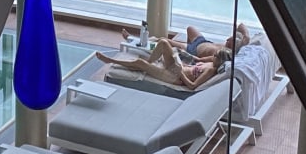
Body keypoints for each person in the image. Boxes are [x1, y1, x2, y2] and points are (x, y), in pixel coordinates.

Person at [96, 36, 226, 93]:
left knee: (140, 63)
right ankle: (150, 62)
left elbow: (192, 86)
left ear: (220, 61)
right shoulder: (211, 62)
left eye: (215, 56)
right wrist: (181, 58)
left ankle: (111, 61)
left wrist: (181, 72)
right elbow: (196, 60)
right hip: (179, 67)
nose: (212, 56)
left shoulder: (211, 71)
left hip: (176, 77)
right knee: (164, 42)